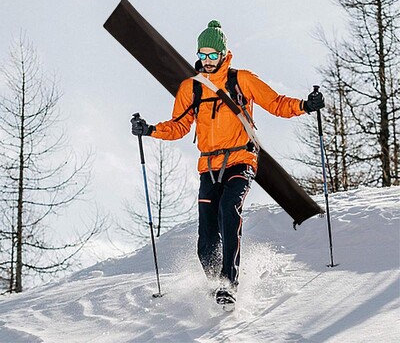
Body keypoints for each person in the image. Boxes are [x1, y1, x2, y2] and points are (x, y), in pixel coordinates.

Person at [131, 20, 324, 308]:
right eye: (202, 55)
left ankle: (229, 283)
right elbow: (179, 126)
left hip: (241, 159)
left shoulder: (241, 80)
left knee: (228, 210)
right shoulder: (191, 89)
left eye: (212, 55)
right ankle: (215, 284)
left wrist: (305, 106)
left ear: (223, 54)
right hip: (208, 166)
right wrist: (149, 130)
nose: (207, 61)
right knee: (207, 232)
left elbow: (276, 103)